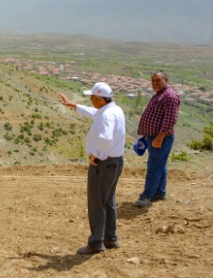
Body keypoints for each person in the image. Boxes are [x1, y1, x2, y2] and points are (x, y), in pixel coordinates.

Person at [59, 82, 126, 255]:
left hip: (103, 164)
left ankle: (96, 242)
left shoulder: (106, 116)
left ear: (100, 99)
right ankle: (110, 238)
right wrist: (74, 105)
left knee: (97, 203)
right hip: (115, 161)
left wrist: (95, 154)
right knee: (108, 200)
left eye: (92, 98)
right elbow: (95, 113)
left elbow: (105, 137)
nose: (90, 100)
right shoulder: (113, 110)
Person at [135, 71, 180, 207]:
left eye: (158, 80)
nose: (155, 83)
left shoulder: (170, 96)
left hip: (161, 137)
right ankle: (160, 192)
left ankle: (147, 196)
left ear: (166, 79)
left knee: (154, 166)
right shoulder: (160, 94)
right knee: (160, 165)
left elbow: (170, 119)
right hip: (153, 136)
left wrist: (160, 137)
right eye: (153, 80)